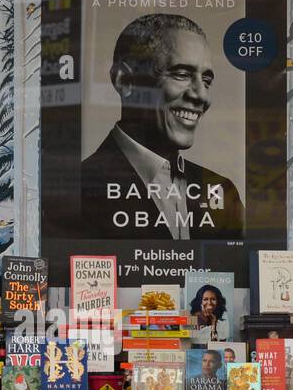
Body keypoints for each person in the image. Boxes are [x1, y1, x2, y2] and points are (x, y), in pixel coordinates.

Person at [80, 13, 245, 240]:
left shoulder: (223, 193)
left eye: (206, 80)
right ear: (125, 81)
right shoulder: (78, 192)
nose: (202, 96)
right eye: (182, 74)